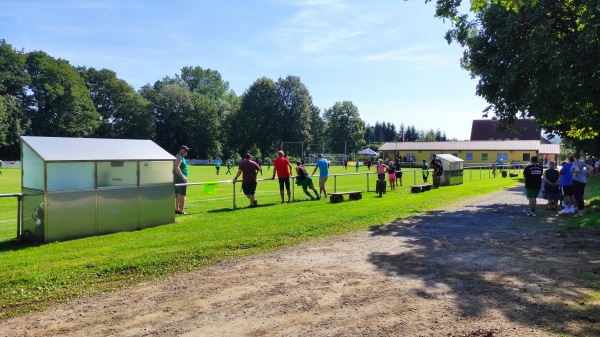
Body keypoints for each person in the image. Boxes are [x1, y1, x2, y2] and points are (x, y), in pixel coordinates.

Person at [570, 153, 594, 217]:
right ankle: (581, 211)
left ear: (574, 157)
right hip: (583, 181)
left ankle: (579, 213)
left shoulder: (575, 162)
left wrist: (575, 174)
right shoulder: (582, 162)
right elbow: (591, 168)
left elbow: (577, 170)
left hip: (577, 181)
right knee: (581, 196)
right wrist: (584, 173)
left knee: (578, 197)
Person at [174, 145, 190, 215]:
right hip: (181, 179)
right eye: (186, 150)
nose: (187, 152)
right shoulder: (179, 157)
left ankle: (177, 209)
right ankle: (181, 211)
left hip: (178, 178)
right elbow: (177, 168)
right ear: (182, 150)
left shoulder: (180, 156)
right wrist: (183, 177)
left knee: (178, 194)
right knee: (183, 195)